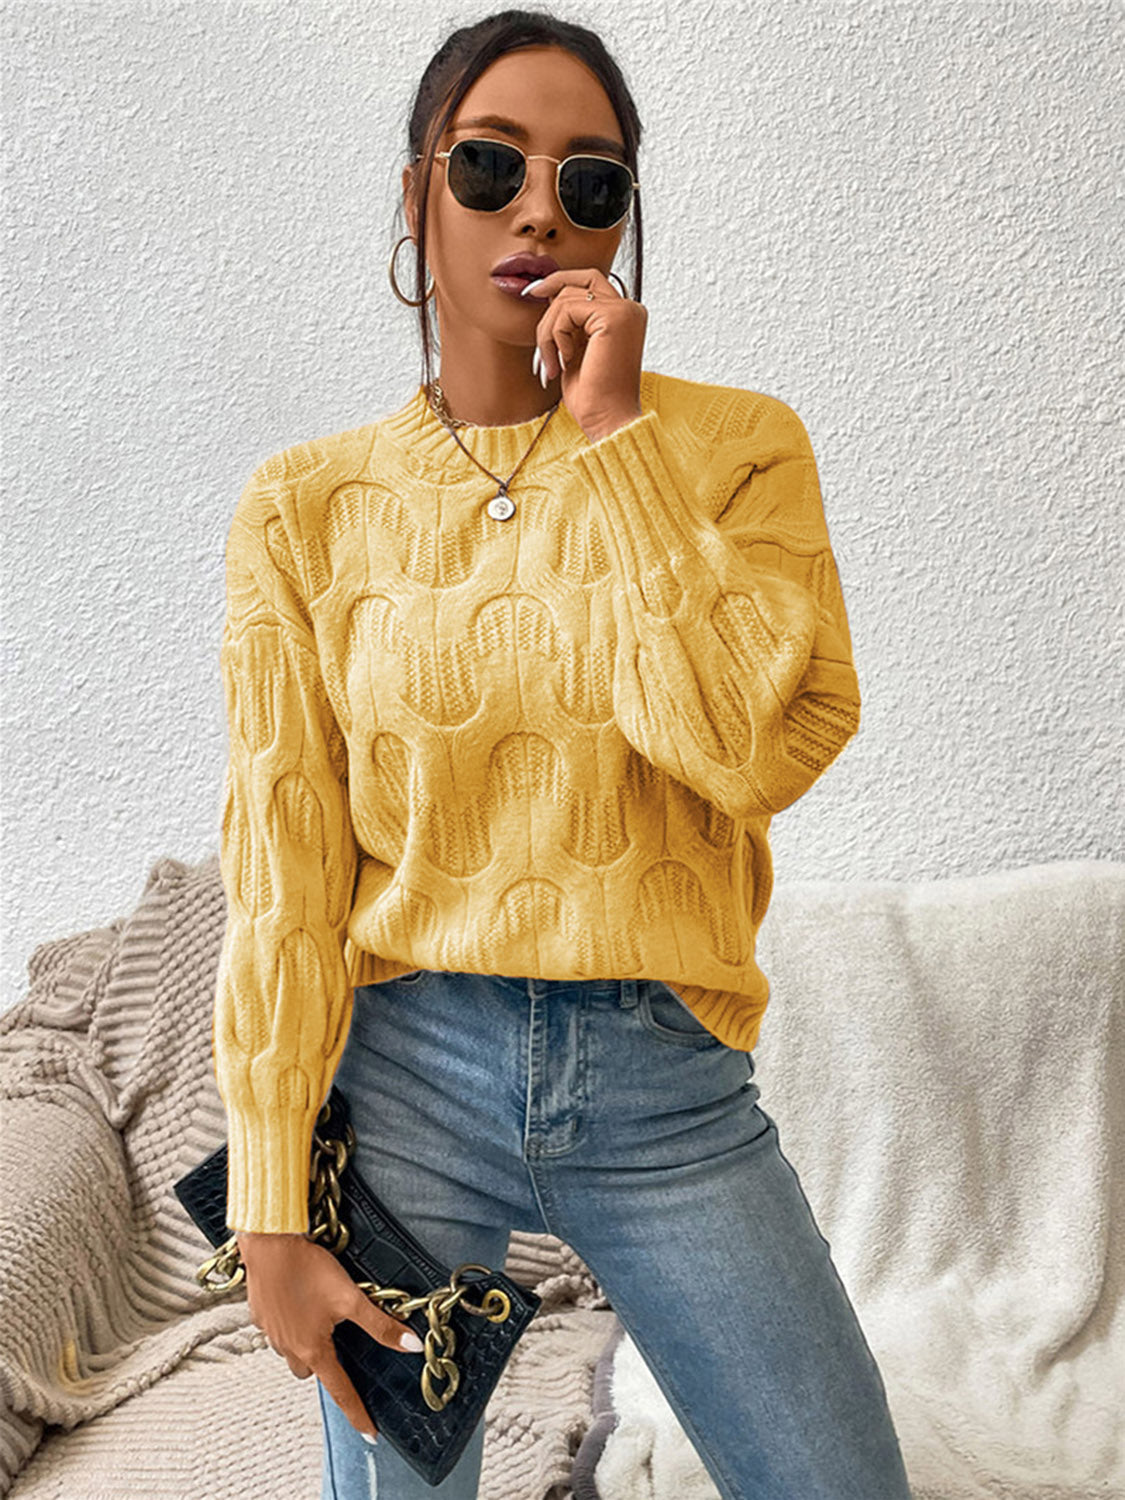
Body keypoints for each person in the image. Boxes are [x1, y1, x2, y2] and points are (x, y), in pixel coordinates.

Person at [211, 9, 914, 1499]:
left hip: (662, 1084)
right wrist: (271, 1201)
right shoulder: (303, 508)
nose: (538, 210)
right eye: (491, 166)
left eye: (588, 183)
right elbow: (283, 866)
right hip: (407, 1078)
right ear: (419, 195)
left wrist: (614, 440)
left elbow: (746, 749)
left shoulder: (735, 450)